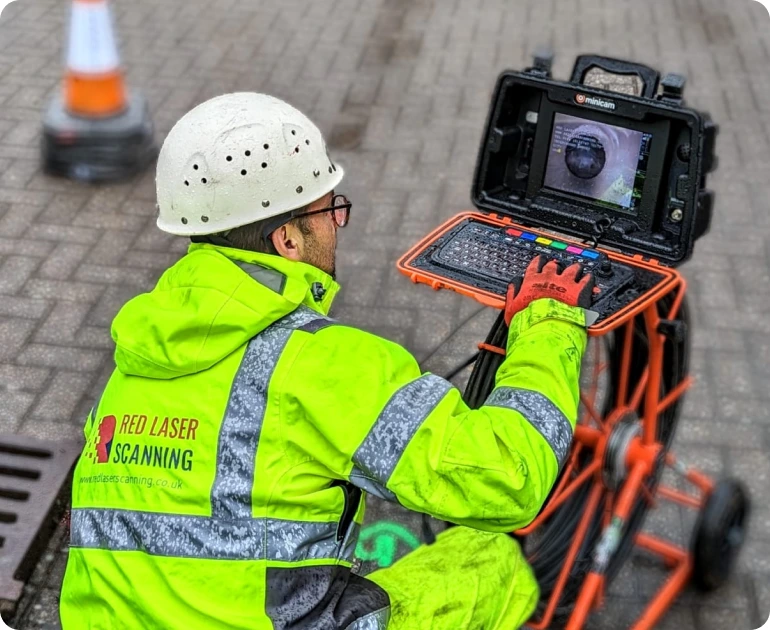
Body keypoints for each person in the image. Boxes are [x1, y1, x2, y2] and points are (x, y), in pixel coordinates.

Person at [59, 93, 594, 630]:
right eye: (330, 210)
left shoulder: (139, 352)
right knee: (488, 562)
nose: (337, 224)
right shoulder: (326, 364)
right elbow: (508, 480)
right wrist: (549, 327)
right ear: (288, 238)